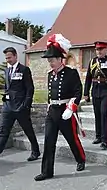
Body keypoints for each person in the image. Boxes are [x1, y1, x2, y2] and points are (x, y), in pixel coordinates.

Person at [34, 34, 86, 181]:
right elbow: (51, 94)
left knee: (72, 139)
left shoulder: (71, 73)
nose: (50, 63)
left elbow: (78, 91)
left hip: (66, 111)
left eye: (52, 60)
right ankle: (46, 172)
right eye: (49, 60)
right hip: (53, 112)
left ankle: (80, 159)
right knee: (49, 141)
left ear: (59, 59)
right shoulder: (50, 75)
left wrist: (71, 108)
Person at [0, 47, 40, 165]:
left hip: (20, 107)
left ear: (16, 56)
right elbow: (8, 87)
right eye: (6, 58)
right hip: (8, 107)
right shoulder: (7, 71)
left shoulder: (24, 69)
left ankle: (35, 151)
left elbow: (30, 89)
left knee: (28, 130)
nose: (8, 60)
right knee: (3, 131)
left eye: (10, 57)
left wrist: (26, 105)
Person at [83, 41, 107, 150]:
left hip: (106, 91)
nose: (98, 51)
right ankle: (98, 136)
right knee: (97, 114)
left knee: (104, 113)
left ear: (106, 50)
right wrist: (86, 93)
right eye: (97, 49)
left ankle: (105, 140)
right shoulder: (92, 62)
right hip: (95, 90)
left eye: (101, 49)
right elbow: (88, 79)